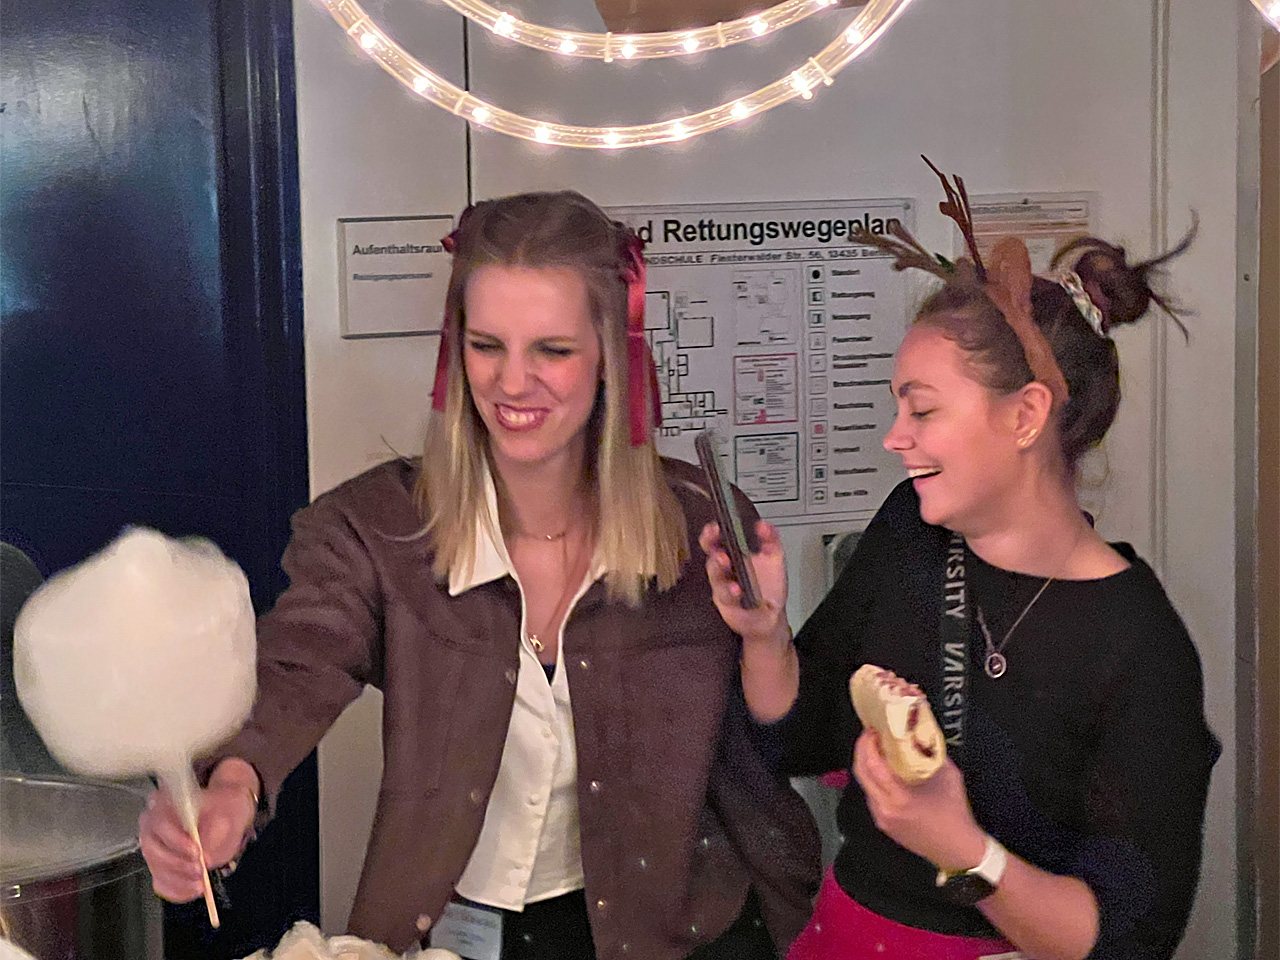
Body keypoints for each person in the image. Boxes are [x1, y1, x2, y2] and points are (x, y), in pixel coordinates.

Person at [138, 190, 820, 960]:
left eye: (552, 351)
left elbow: (780, 737)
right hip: (463, 940)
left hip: (683, 933)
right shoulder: (378, 527)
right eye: (487, 345)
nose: (513, 383)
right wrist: (233, 782)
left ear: (610, 355)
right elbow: (298, 665)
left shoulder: (698, 525)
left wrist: (766, 636)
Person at [703, 161, 1219, 960]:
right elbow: (802, 738)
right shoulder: (911, 531)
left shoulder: (1139, 644)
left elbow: (1127, 937)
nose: (895, 437)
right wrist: (764, 635)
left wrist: (965, 852)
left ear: (1026, 416)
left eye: (923, 409)